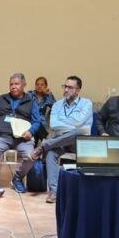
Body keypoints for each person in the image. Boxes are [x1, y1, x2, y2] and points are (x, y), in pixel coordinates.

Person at [19, 75, 93, 204]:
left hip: (79, 143)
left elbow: (79, 122)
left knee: (79, 131)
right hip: (60, 141)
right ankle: (54, 191)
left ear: (77, 90)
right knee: (51, 153)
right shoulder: (57, 105)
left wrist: (66, 124)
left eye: (70, 87)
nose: (66, 90)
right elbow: (53, 125)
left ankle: (43, 146)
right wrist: (71, 124)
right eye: (65, 86)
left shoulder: (86, 103)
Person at [0, 72, 42, 193]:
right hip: (3, 136)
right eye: (11, 84)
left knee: (31, 157)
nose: (13, 87)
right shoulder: (1, 99)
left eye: (16, 84)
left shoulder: (31, 101)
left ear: (24, 85)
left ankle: (16, 179)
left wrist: (30, 132)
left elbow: (37, 121)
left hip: (23, 139)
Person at [30, 76, 56, 143]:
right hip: (31, 118)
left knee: (39, 123)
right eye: (37, 84)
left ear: (46, 86)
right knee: (36, 123)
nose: (39, 86)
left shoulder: (48, 96)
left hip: (42, 121)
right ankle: (45, 140)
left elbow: (55, 108)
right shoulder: (30, 94)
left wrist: (49, 95)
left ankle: (39, 142)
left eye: (42, 85)